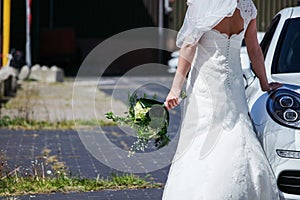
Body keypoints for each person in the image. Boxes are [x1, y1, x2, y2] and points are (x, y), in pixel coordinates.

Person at [162, 0, 282, 199]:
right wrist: (264, 83)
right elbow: (254, 50)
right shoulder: (247, 7)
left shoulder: (204, 4)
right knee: (236, 129)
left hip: (205, 84)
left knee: (201, 135)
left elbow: (189, 46)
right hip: (234, 84)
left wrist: (175, 88)